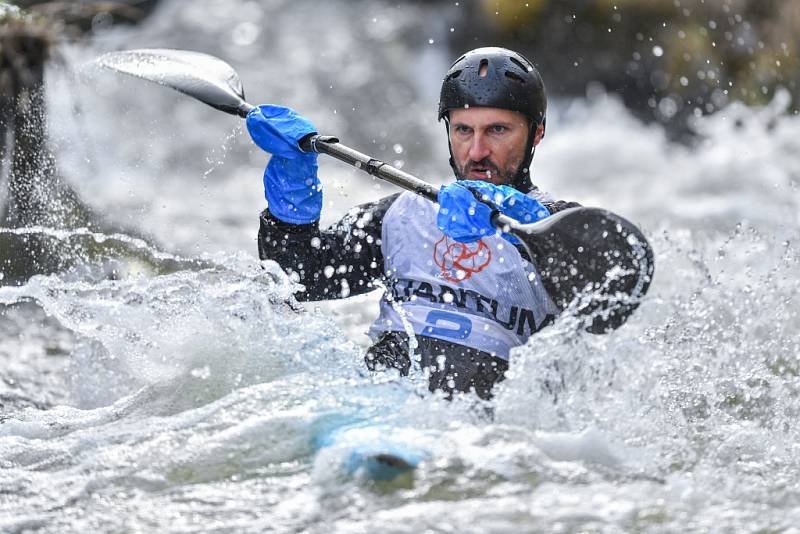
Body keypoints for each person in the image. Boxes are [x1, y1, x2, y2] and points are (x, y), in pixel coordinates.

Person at [247, 47, 583, 400]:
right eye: (463, 130)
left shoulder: (564, 228)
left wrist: (519, 219)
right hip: (380, 405)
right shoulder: (402, 215)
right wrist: (292, 189)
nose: (477, 151)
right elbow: (297, 278)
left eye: (497, 130)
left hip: (485, 430)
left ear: (537, 133)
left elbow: (620, 282)